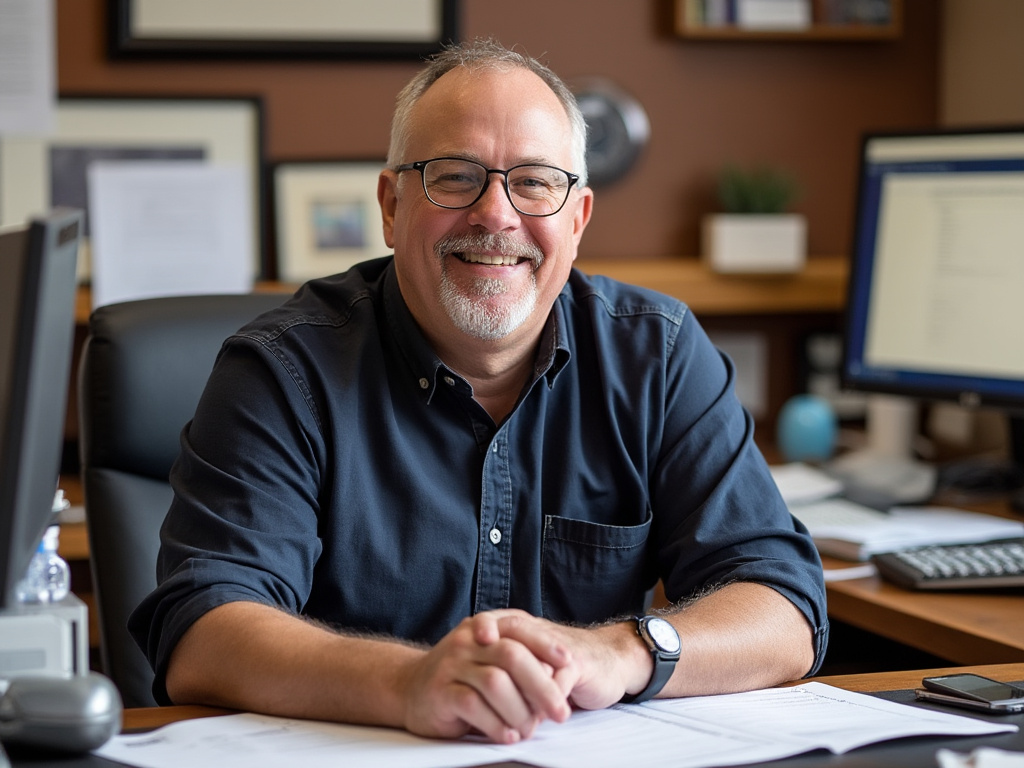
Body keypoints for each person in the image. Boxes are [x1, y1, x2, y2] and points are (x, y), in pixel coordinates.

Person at [129, 38, 828, 745]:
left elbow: (785, 608)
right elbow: (202, 633)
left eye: (533, 182)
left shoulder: (658, 354)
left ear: (577, 219)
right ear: (392, 205)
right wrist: (411, 683)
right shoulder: (284, 372)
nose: (496, 215)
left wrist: (620, 653)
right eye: (456, 177)